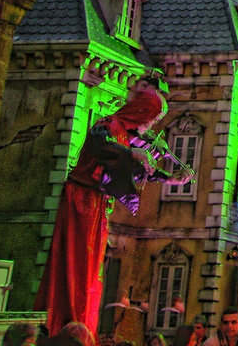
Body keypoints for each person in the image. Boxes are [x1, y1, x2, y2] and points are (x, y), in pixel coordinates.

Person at [35, 80, 173, 332]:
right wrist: (133, 154)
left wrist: (168, 177)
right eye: (151, 118)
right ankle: (67, 323)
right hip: (81, 198)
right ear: (141, 112)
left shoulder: (125, 136)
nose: (151, 125)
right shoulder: (108, 125)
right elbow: (102, 146)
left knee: (91, 271)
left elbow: (129, 167)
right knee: (78, 265)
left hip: (96, 202)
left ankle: (82, 324)